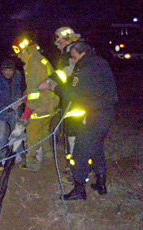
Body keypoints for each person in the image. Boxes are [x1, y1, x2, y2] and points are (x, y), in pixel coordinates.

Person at [44, 41, 118, 200]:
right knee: (96, 146)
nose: (73, 61)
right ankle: (101, 183)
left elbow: (72, 94)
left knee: (80, 151)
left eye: (74, 57)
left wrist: (54, 88)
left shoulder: (84, 68)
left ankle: (79, 189)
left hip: (94, 115)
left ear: (81, 53)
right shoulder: (101, 62)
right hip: (108, 113)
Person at [38, 27, 84, 179]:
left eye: (60, 42)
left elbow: (66, 74)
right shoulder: (69, 54)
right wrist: (49, 81)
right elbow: (62, 74)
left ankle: (78, 172)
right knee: (71, 135)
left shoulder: (77, 54)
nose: (58, 46)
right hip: (71, 100)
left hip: (78, 103)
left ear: (70, 38)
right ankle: (76, 168)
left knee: (76, 137)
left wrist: (50, 83)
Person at [13, 37, 60, 172]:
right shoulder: (38, 59)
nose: (18, 56)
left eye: (20, 53)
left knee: (32, 134)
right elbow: (34, 87)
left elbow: (34, 94)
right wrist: (22, 99)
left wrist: (27, 112)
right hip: (50, 104)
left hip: (41, 106)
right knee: (44, 131)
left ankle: (32, 165)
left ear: (26, 51)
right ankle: (48, 155)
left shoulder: (33, 64)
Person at [0, 59, 25, 149]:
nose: (8, 73)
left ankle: (18, 154)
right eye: (5, 71)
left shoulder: (18, 76)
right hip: (1, 110)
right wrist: (11, 103)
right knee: (1, 135)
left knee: (17, 133)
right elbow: (0, 94)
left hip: (15, 111)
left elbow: (20, 89)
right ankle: (3, 154)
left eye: (10, 70)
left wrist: (19, 100)